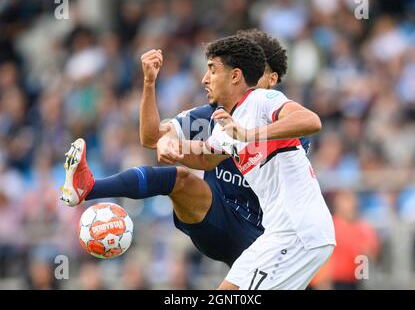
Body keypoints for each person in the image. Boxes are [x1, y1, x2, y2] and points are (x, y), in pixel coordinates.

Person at [60, 30, 309, 268]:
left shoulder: (283, 122)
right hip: (216, 214)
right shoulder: (211, 115)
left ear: (272, 79)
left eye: (256, 72)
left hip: (261, 234)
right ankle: (89, 187)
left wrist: (178, 146)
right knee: (178, 179)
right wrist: (149, 83)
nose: (247, 78)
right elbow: (150, 138)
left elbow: (214, 154)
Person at [170, 35, 336, 289]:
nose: (205, 78)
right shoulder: (227, 123)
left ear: (234, 76)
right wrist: (172, 148)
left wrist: (249, 135)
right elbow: (205, 156)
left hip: (297, 232)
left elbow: (311, 121)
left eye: (212, 70)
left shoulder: (262, 100)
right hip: (276, 234)